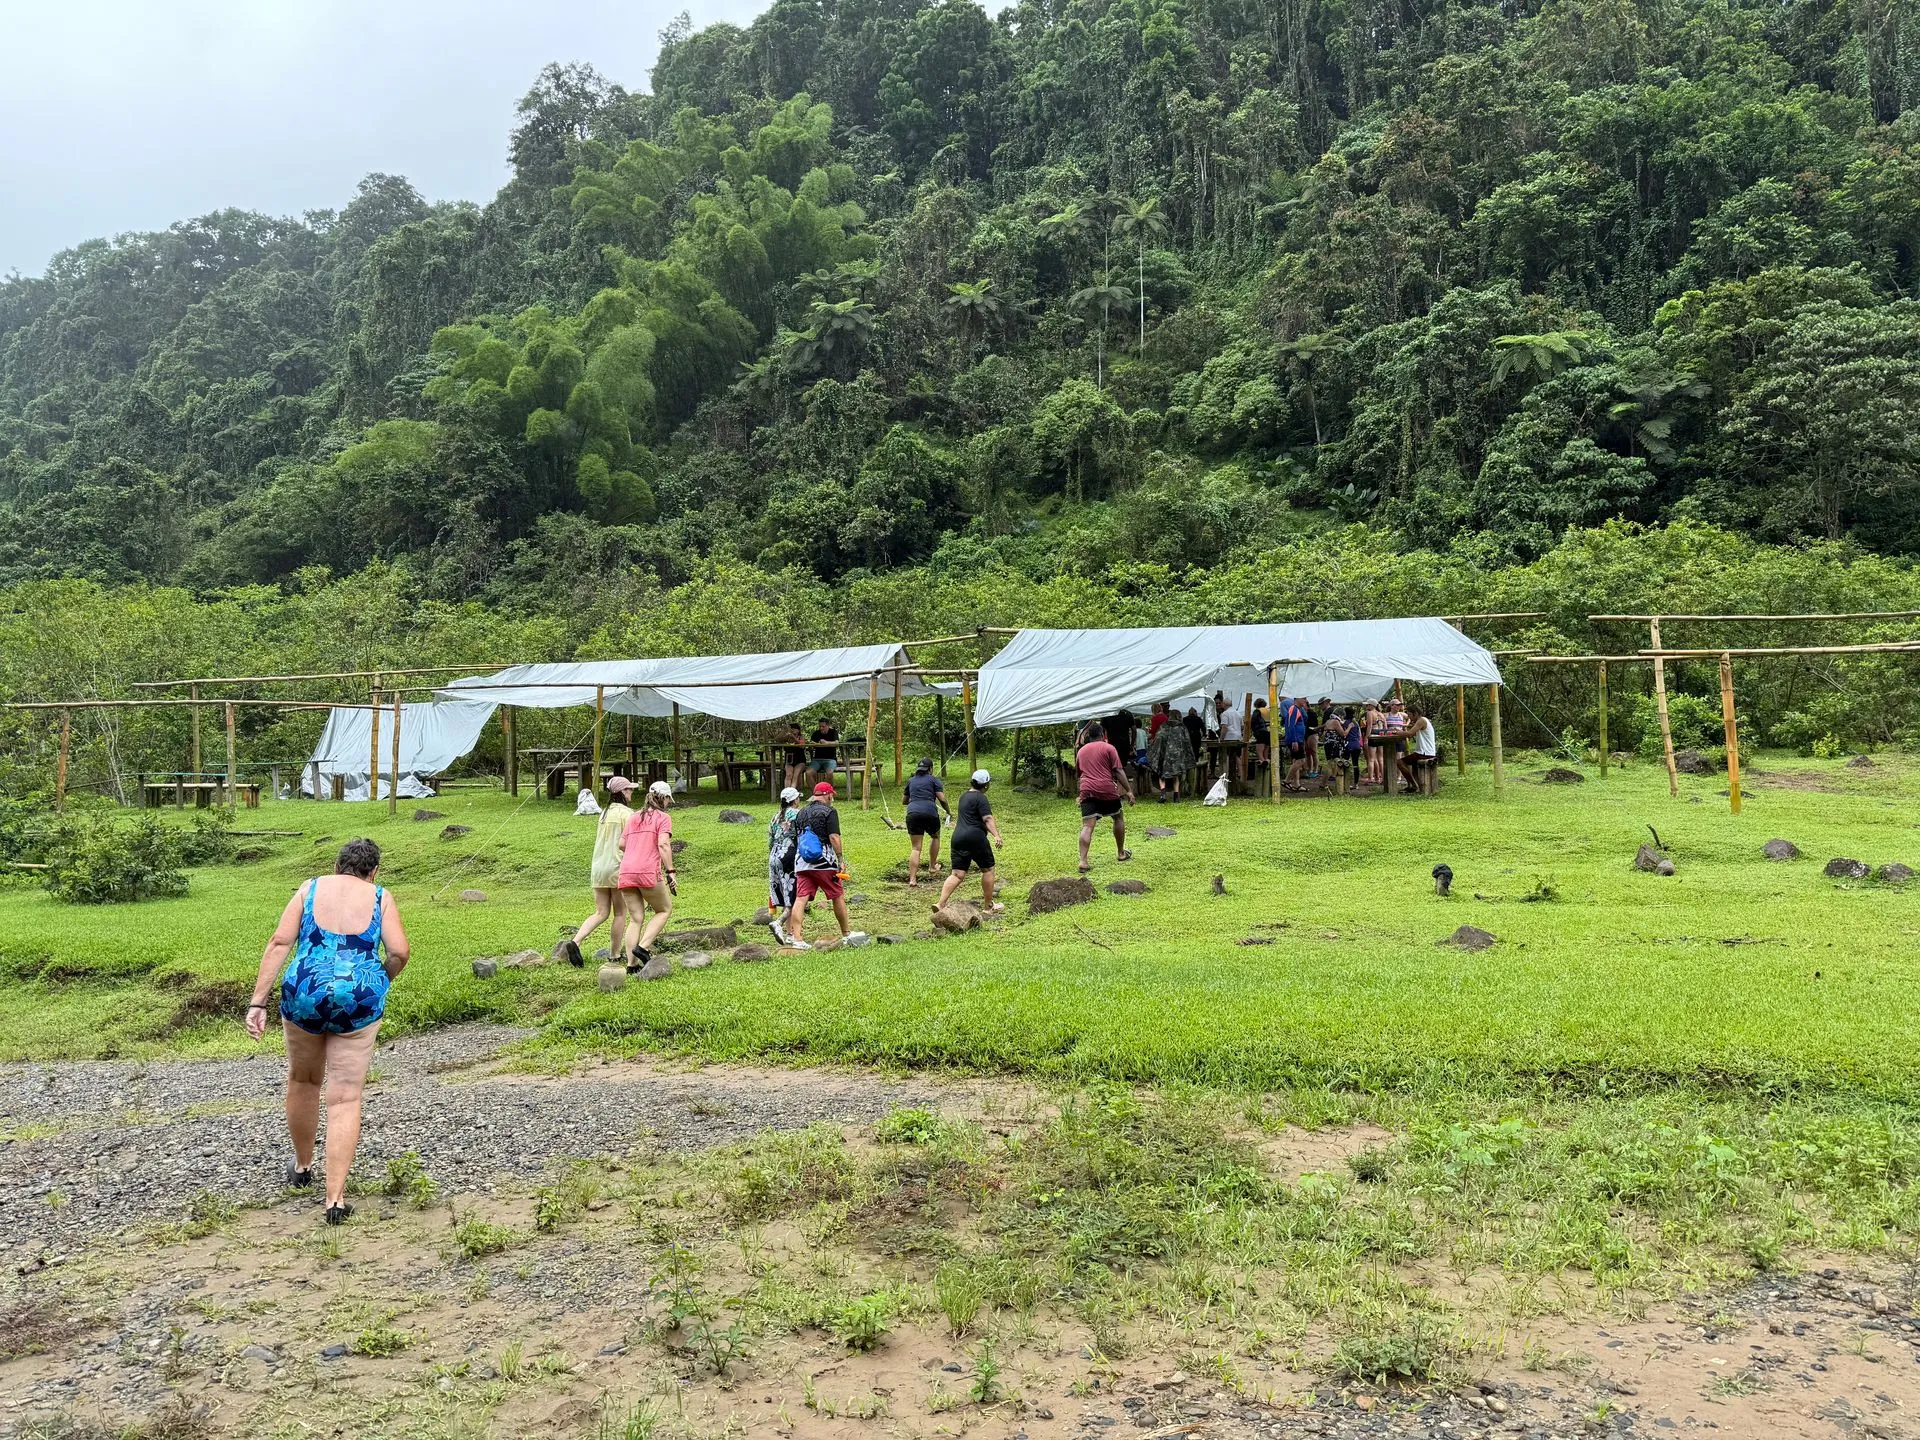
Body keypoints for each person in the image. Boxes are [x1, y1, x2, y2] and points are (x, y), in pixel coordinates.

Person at [246, 838, 410, 1224]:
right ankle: (334, 1200)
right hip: (359, 997)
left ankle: (303, 1167)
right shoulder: (379, 896)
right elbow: (400, 951)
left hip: (306, 991)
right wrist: (378, 980)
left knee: (304, 1080)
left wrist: (258, 1002)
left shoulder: (310, 887)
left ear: (337, 866)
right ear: (374, 871)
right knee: (345, 1097)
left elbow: (280, 941)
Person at [559, 776, 634, 968]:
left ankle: (576, 941)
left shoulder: (603, 813)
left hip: (598, 867)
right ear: (622, 792)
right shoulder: (628, 814)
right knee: (620, 913)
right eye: (629, 789)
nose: (631, 792)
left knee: (601, 912)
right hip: (617, 867)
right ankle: (615, 954)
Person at [617, 781, 677, 979]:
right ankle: (643, 948)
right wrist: (671, 870)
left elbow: (622, 844)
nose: (669, 803)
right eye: (668, 799)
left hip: (626, 871)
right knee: (664, 910)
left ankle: (631, 965)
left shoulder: (633, 817)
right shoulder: (663, 818)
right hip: (647, 871)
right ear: (664, 798)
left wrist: (637, 848)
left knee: (635, 919)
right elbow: (663, 845)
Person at [789, 781, 849, 948]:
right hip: (824, 862)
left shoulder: (800, 813)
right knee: (837, 895)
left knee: (801, 899)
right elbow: (834, 837)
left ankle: (797, 939)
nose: (832, 799)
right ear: (828, 795)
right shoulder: (829, 811)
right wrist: (841, 859)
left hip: (802, 862)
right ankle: (846, 934)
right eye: (832, 795)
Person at [936, 769, 1005, 913]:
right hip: (976, 837)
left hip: (958, 837)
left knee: (957, 874)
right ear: (986, 785)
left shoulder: (964, 796)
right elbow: (987, 818)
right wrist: (996, 835)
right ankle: (988, 907)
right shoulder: (981, 798)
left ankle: (940, 904)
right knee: (988, 870)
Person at [1075, 721, 1134, 873]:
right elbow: (1119, 771)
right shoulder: (1109, 748)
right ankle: (1121, 853)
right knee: (1118, 817)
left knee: (1087, 826)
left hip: (1087, 789)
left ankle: (1083, 861)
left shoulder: (1081, 751)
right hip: (1106, 788)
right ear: (1103, 735)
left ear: (1088, 736)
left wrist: (1079, 794)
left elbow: (1079, 775)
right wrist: (1128, 790)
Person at [903, 757, 951, 887]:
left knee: (916, 847)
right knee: (935, 836)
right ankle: (932, 866)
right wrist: (948, 811)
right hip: (930, 812)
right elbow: (942, 799)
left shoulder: (911, 781)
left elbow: (904, 801)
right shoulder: (934, 780)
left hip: (912, 813)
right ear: (930, 769)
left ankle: (912, 879)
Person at [766, 785, 802, 944]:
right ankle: (779, 923)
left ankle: (789, 934)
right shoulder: (797, 814)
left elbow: (770, 840)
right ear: (794, 800)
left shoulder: (775, 816)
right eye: (798, 798)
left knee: (784, 895)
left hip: (774, 855)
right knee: (794, 896)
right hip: (789, 855)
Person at [1148, 700, 1196, 801]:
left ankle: (1162, 795)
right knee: (1176, 776)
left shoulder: (1164, 726)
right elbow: (1187, 741)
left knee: (1162, 774)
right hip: (1177, 755)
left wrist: (1154, 751)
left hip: (1165, 755)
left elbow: (1158, 738)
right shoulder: (1181, 728)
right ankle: (1176, 796)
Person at [1401, 706, 1437, 794]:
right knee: (1414, 766)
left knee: (1400, 762)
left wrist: (1397, 732)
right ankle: (1417, 787)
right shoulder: (1422, 720)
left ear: (1415, 713)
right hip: (1426, 751)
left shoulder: (1421, 721)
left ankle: (1413, 785)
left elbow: (1410, 734)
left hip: (1425, 752)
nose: (1409, 717)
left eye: (1410, 714)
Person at [809, 716, 840, 790]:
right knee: (808, 773)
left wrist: (826, 743)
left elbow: (837, 743)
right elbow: (810, 745)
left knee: (829, 773)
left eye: (823, 726)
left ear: (828, 726)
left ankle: (828, 793)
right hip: (817, 759)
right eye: (820, 726)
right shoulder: (816, 733)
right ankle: (816, 793)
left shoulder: (833, 732)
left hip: (830, 759)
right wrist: (812, 745)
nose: (821, 728)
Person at [1363, 700, 1388, 787]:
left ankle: (1371, 778)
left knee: (1371, 759)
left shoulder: (1370, 713)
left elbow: (1369, 725)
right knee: (1381, 758)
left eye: (1367, 705)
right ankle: (1383, 778)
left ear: (1371, 705)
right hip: (1381, 735)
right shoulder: (1381, 714)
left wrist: (1366, 737)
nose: (1366, 706)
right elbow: (1385, 726)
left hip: (1373, 735)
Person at [780, 722, 809, 795]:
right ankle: (786, 794)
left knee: (796, 775)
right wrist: (783, 732)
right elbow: (777, 739)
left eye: (794, 729)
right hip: (789, 759)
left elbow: (802, 745)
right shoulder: (787, 737)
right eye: (791, 729)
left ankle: (792, 793)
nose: (793, 731)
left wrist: (794, 738)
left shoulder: (801, 737)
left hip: (800, 760)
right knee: (789, 774)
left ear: (798, 730)